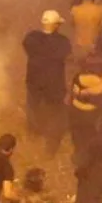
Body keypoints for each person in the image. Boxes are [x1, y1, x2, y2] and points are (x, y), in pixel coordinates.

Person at [23, 11, 72, 148]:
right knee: (55, 108)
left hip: (34, 78)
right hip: (53, 81)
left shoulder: (31, 38)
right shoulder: (63, 41)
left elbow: (27, 48)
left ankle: (33, 130)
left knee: (33, 105)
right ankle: (53, 134)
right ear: (56, 25)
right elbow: (66, 55)